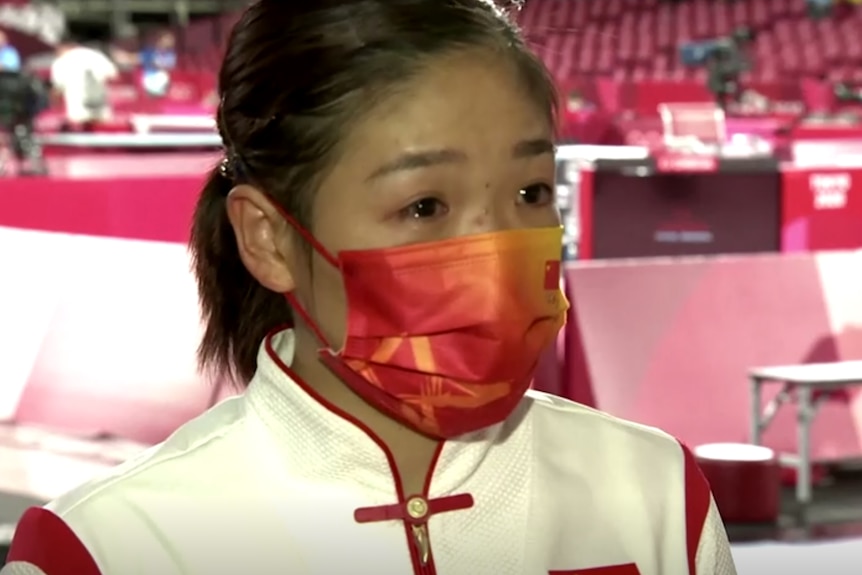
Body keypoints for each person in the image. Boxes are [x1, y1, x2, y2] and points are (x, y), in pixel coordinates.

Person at [3, 1, 736, 574]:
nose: (494, 253)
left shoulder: (660, 498)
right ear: (268, 237)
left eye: (531, 191)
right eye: (424, 206)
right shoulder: (105, 550)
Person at [50, 38, 118, 130]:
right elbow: (113, 76)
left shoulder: (61, 61)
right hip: (100, 106)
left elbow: (58, 88)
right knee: (101, 132)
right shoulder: (96, 55)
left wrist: (53, 104)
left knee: (81, 135)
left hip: (78, 110)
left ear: (62, 47)